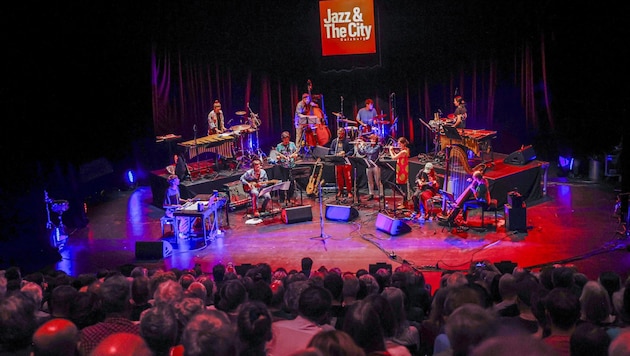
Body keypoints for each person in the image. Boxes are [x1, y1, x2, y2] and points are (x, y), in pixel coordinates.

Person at [274, 131, 299, 205]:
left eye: (287, 139)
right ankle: (284, 198)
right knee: (284, 182)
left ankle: (290, 197)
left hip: (291, 165)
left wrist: (295, 156)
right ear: (282, 139)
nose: (286, 141)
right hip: (283, 166)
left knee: (291, 182)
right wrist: (278, 157)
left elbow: (296, 153)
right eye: (285, 139)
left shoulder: (292, 144)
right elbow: (277, 156)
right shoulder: (279, 146)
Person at [356, 134, 383, 201]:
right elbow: (362, 153)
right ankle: (371, 194)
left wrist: (363, 145)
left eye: (374, 139)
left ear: (376, 140)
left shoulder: (377, 146)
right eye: (371, 139)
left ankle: (381, 194)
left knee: (378, 181)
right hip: (368, 165)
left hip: (375, 165)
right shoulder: (368, 146)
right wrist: (358, 147)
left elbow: (371, 152)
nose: (372, 141)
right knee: (370, 181)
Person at [329, 127, 354, 199]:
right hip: (337, 161)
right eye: (338, 133)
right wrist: (335, 154)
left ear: (344, 133)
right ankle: (340, 190)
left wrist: (345, 154)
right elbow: (331, 150)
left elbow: (351, 151)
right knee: (338, 177)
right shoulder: (334, 141)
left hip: (345, 161)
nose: (339, 134)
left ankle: (349, 191)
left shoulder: (347, 141)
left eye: (341, 133)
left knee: (347, 177)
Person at [389, 137, 410, 209]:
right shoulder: (404, 150)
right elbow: (397, 157)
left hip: (402, 170)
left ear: (403, 144)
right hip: (401, 169)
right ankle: (403, 202)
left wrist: (390, 150)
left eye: (400, 144)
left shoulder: (404, 151)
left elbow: (394, 158)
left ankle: (405, 203)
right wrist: (393, 151)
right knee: (401, 187)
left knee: (403, 187)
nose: (398, 145)